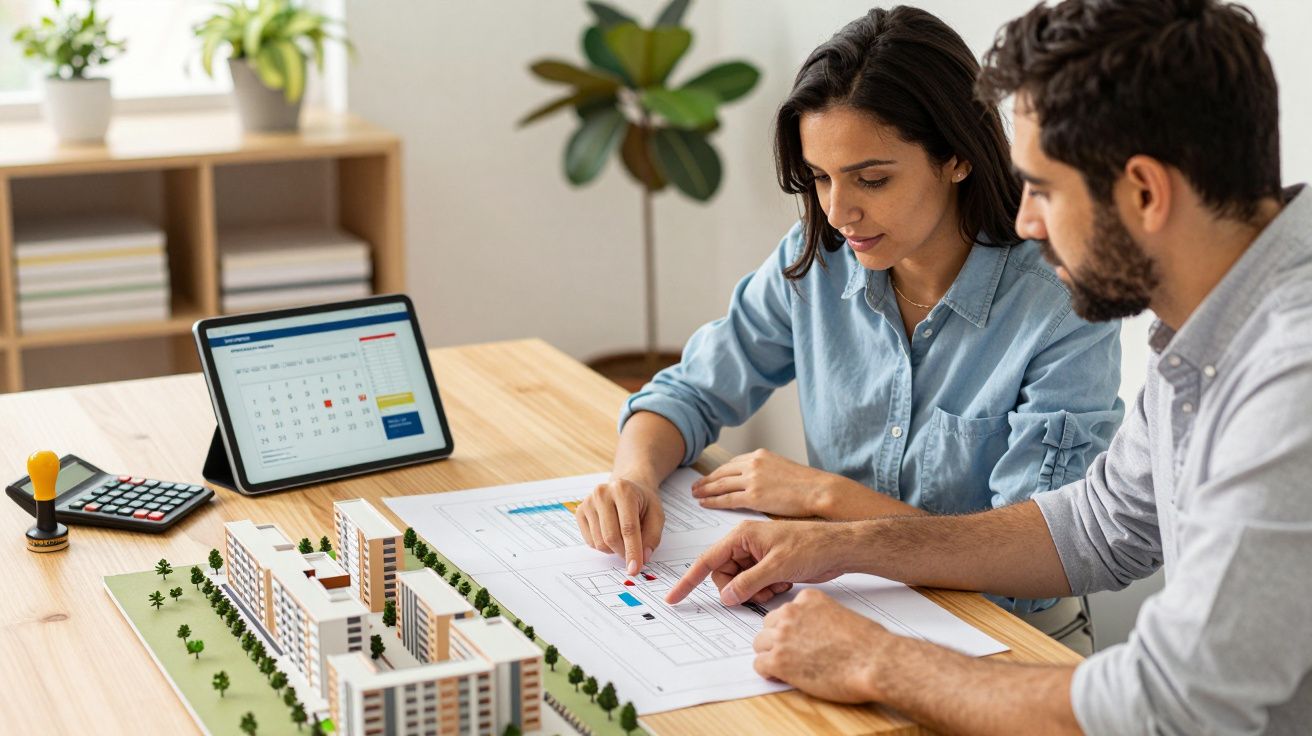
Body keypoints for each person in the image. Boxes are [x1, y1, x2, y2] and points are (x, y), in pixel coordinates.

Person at [667, 0, 1312, 732]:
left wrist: (877, 659)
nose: (1027, 221)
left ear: (1143, 191)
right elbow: (1097, 527)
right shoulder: (1207, 327)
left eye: (1042, 188)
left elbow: (1178, 702)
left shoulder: (1294, 376)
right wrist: (839, 545)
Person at [574, 6, 1123, 649]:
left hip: (1010, 638)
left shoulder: (1061, 305)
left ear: (957, 157)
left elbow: (1030, 564)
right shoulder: (817, 258)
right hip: (849, 608)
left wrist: (826, 499)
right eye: (820, 178)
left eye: (872, 178)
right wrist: (635, 477)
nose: (840, 212)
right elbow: (688, 392)